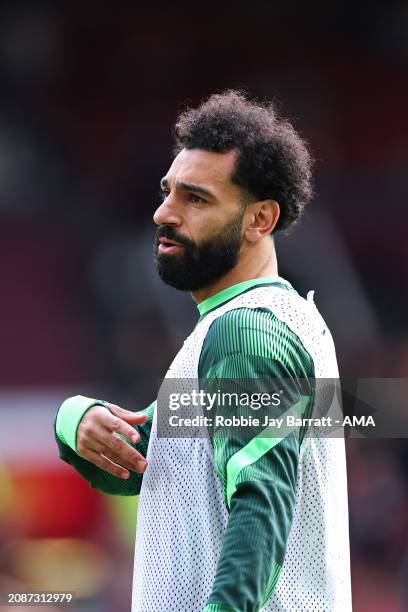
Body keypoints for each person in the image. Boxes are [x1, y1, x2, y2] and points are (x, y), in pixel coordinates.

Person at [54, 90, 352, 611]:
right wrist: (75, 419)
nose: (162, 213)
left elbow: (262, 502)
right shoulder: (262, 324)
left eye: (196, 199)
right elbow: (153, 462)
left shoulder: (247, 334)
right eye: (168, 191)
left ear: (260, 220)